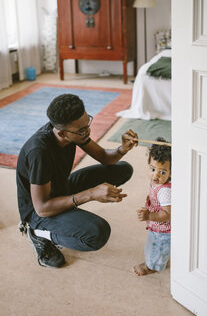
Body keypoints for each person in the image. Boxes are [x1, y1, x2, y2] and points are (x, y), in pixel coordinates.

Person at [16, 93, 138, 268]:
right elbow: (42, 208)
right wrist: (90, 194)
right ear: (62, 133)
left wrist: (122, 149)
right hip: (38, 211)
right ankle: (39, 233)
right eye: (82, 130)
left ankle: (64, 216)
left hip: (60, 188)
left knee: (123, 169)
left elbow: (104, 156)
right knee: (98, 233)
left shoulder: (74, 131)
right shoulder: (39, 152)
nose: (87, 131)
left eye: (87, 122)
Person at [132, 137, 171, 276]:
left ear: (171, 173)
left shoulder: (165, 191)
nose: (155, 175)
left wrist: (149, 215)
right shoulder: (156, 183)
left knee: (156, 246)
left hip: (163, 228)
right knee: (160, 247)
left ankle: (152, 266)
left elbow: (167, 213)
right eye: (153, 169)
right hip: (159, 224)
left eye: (162, 172)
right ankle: (162, 259)